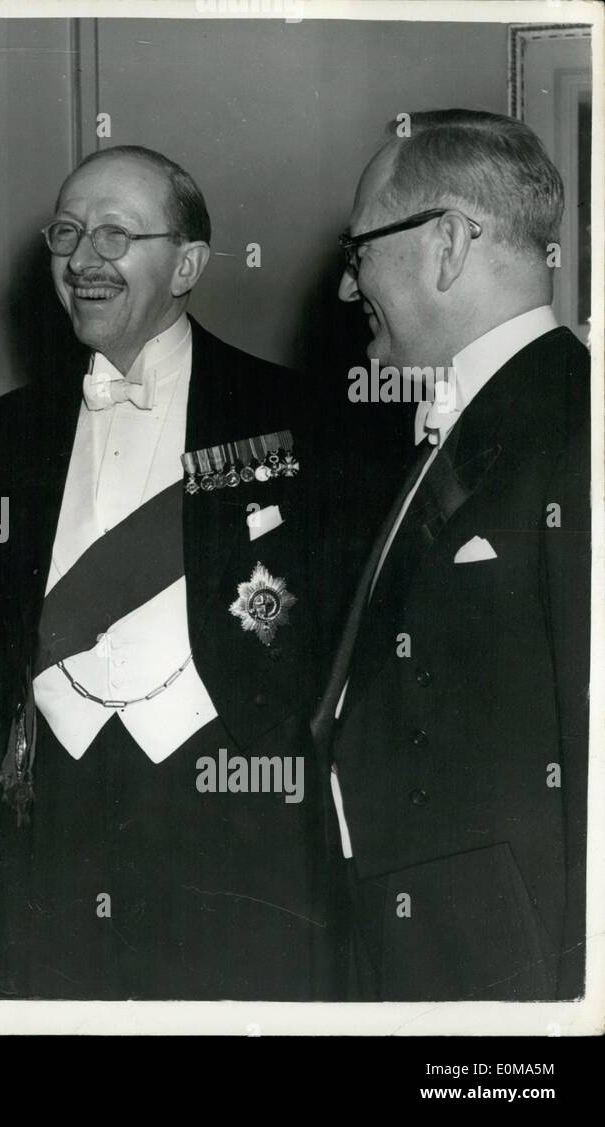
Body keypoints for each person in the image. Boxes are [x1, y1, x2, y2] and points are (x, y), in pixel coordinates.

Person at [0, 145, 341, 1000]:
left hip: (229, 797)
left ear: (188, 264)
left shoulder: (291, 412)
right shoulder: (10, 428)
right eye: (66, 233)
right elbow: (0, 632)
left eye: (115, 233)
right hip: (57, 805)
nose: (83, 259)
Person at [312, 109, 589, 1001]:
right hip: (421, 936)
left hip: (512, 959)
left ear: (446, 245)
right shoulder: (457, 421)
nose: (350, 288)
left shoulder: (574, 428)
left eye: (358, 253)